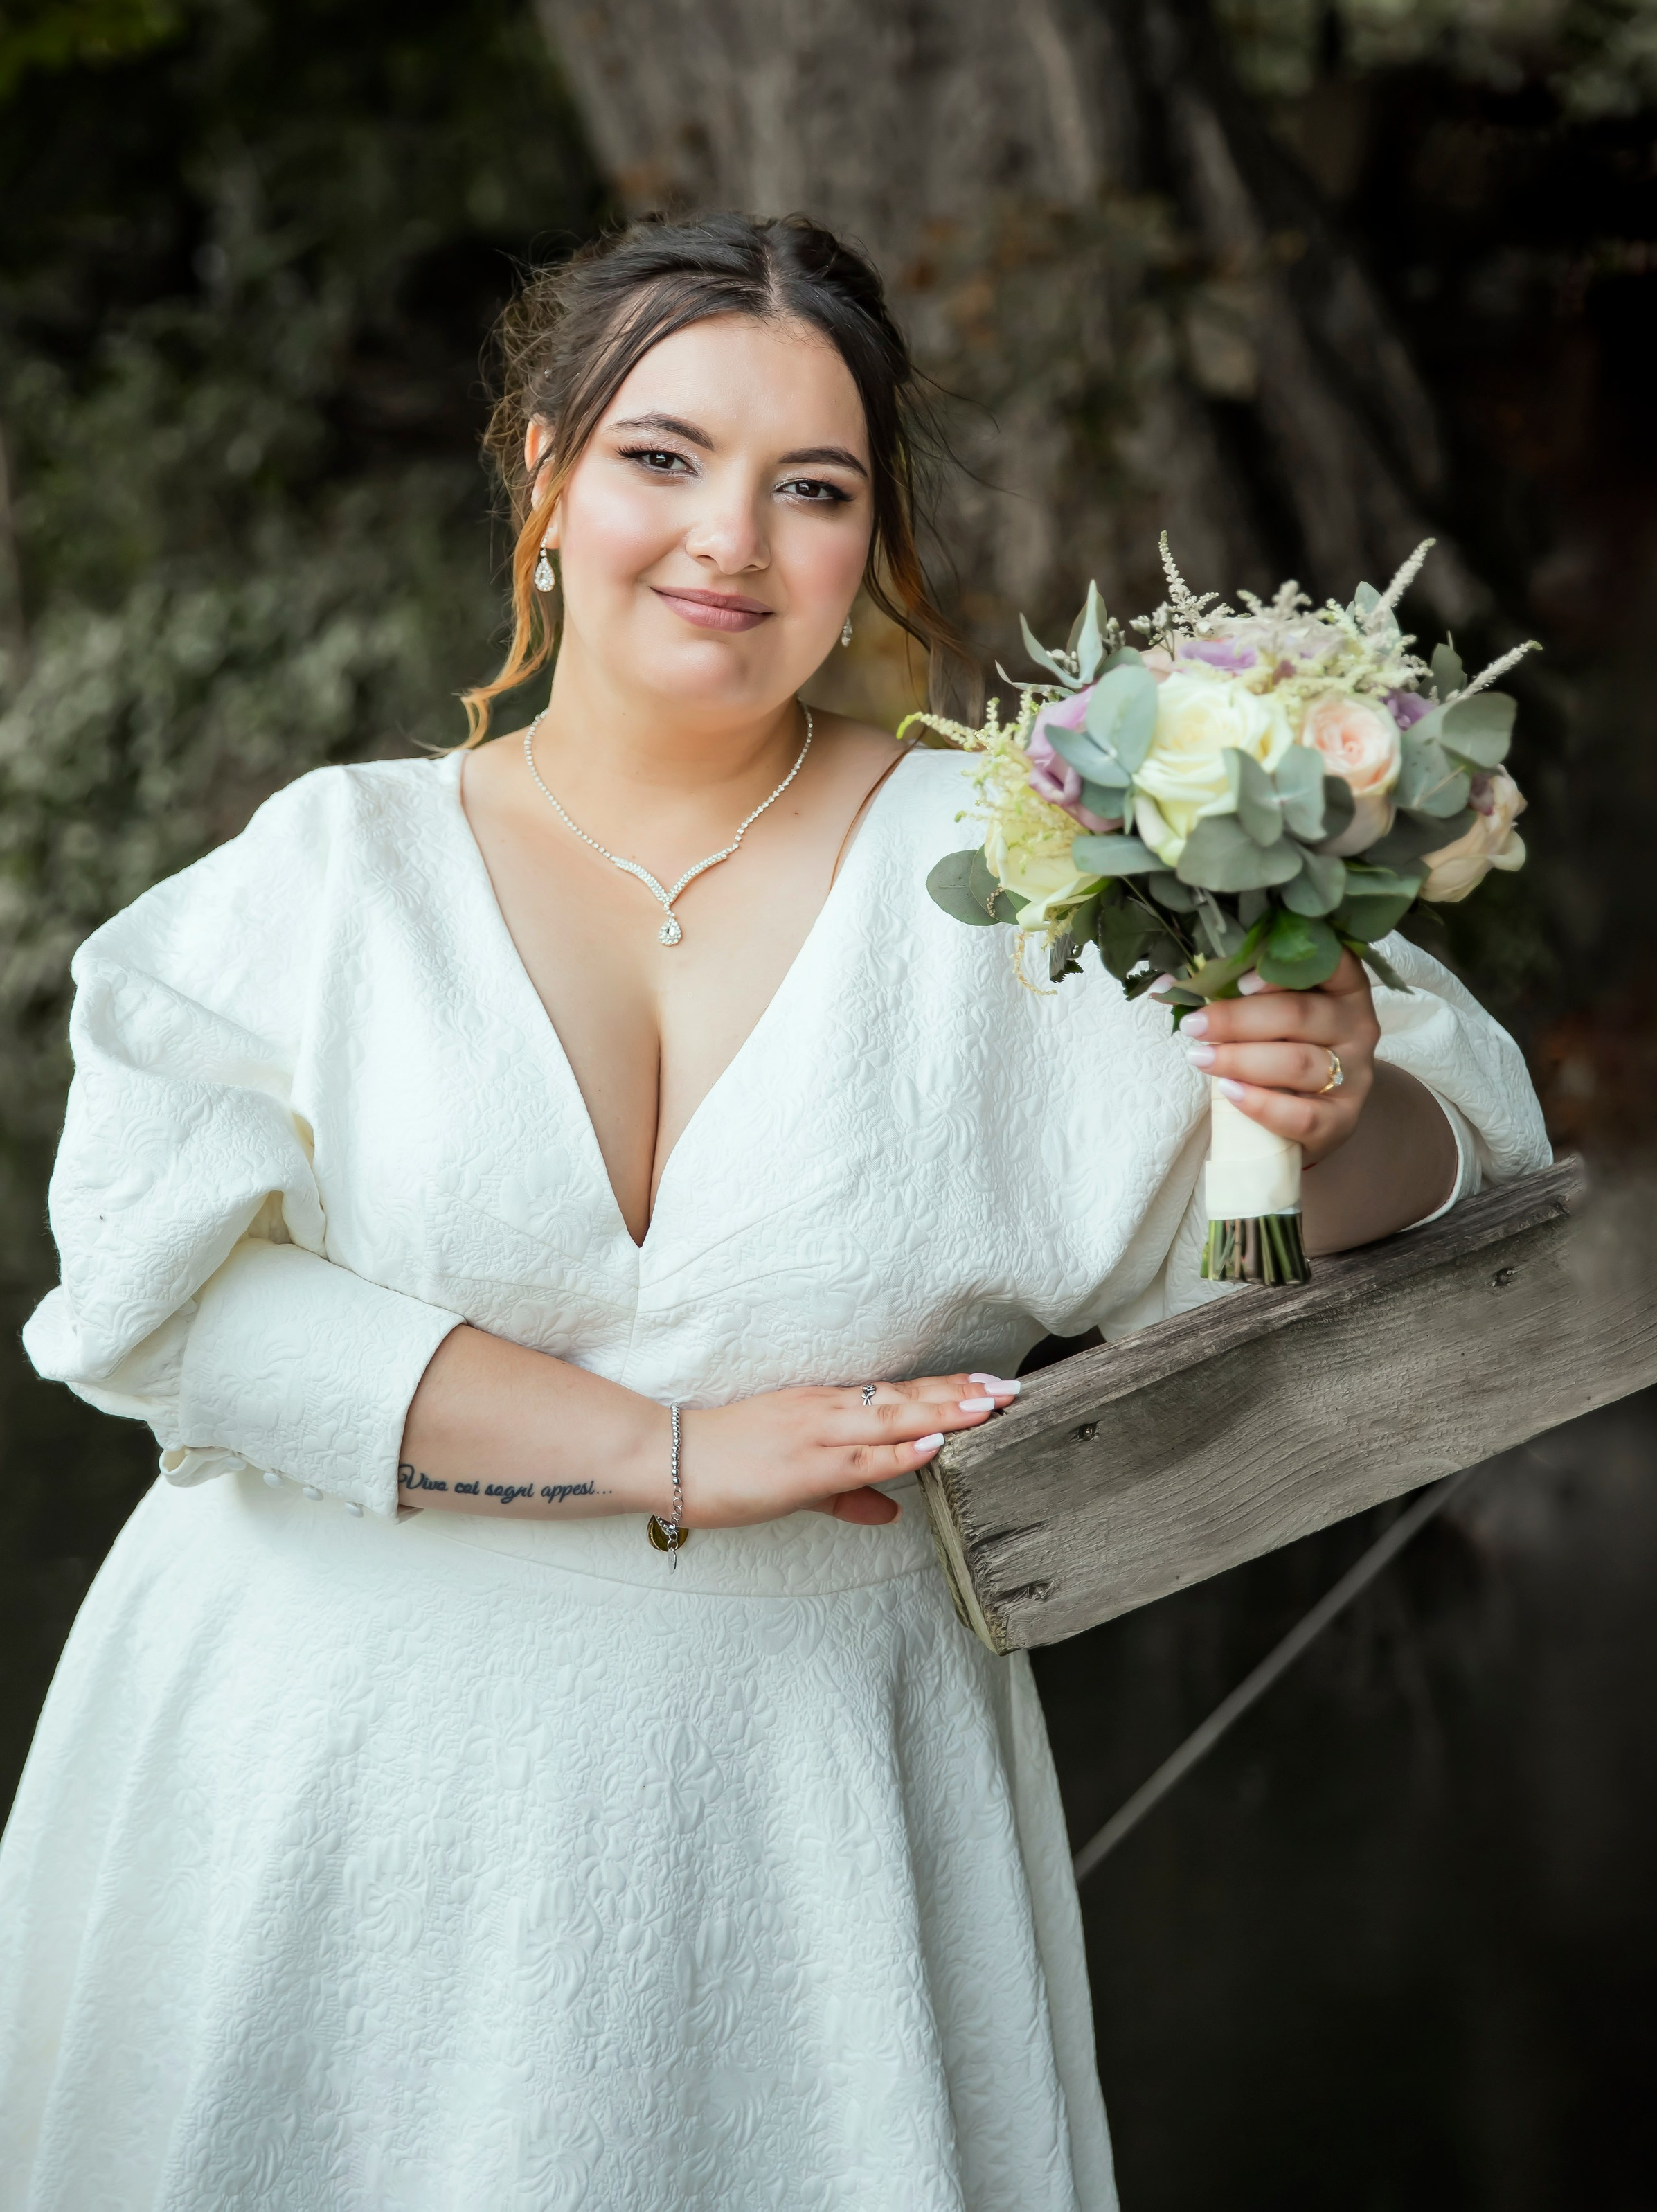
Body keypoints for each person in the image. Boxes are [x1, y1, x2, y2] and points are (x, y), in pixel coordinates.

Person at [0, 214, 1548, 2212]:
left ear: (869, 549)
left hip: (793, 1793)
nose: (730, 536)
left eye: (810, 488)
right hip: (302, 1767)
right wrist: (662, 1447)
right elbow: (166, 1307)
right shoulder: (325, 876)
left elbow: (1344, 1219)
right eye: (663, 457)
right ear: (543, 478)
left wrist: (1328, 1106)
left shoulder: (1011, 871)